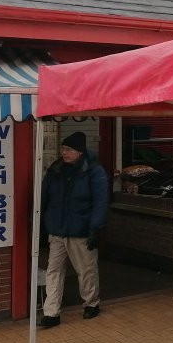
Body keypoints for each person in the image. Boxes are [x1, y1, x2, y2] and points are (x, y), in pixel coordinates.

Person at [38, 132, 108, 327]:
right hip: (57, 229)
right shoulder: (56, 170)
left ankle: (91, 303)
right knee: (54, 270)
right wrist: (42, 224)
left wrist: (95, 228)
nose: (64, 152)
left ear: (80, 151)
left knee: (85, 270)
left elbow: (100, 202)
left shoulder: (95, 171)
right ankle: (51, 312)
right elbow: (45, 197)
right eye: (63, 149)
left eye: (69, 149)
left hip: (81, 230)